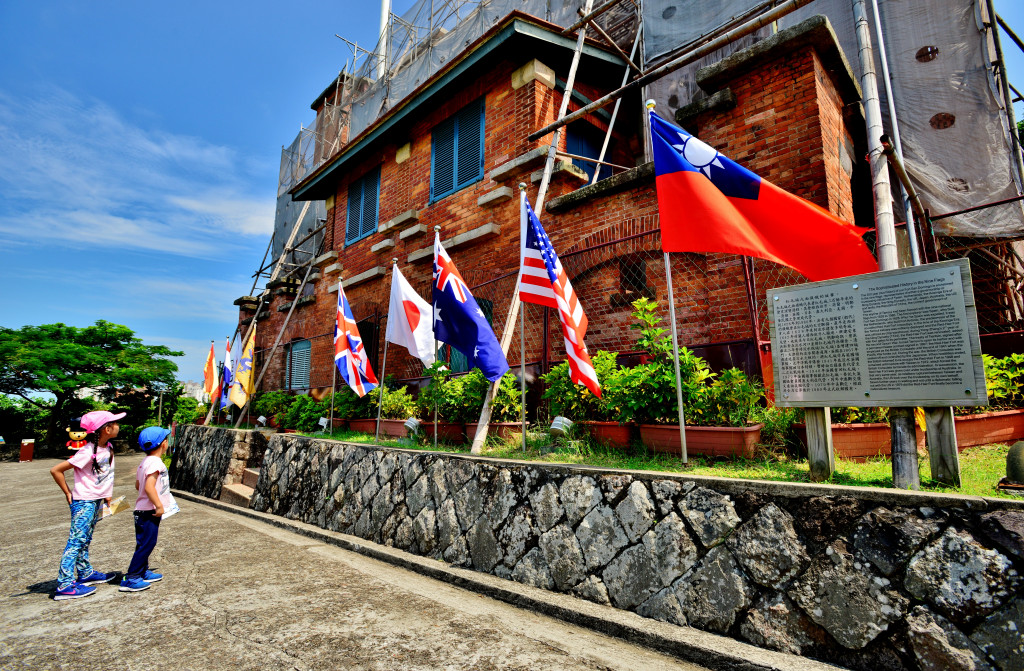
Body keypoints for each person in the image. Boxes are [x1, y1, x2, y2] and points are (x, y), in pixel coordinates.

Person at [49, 410, 125, 600]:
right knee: (76, 541)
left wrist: (107, 496)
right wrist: (68, 492)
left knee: (85, 538)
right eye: (115, 422)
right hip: (84, 501)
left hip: (96, 500)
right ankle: (64, 584)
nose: (118, 425)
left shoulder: (108, 447)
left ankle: (85, 573)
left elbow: (106, 474)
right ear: (107, 429)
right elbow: (56, 470)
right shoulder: (86, 452)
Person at [119, 426, 175, 592]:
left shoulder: (145, 462)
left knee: (143, 542)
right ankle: (132, 577)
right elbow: (149, 487)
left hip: (142, 508)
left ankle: (142, 571)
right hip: (149, 510)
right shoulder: (156, 463)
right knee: (147, 543)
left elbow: (139, 485)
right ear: (163, 444)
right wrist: (158, 505)